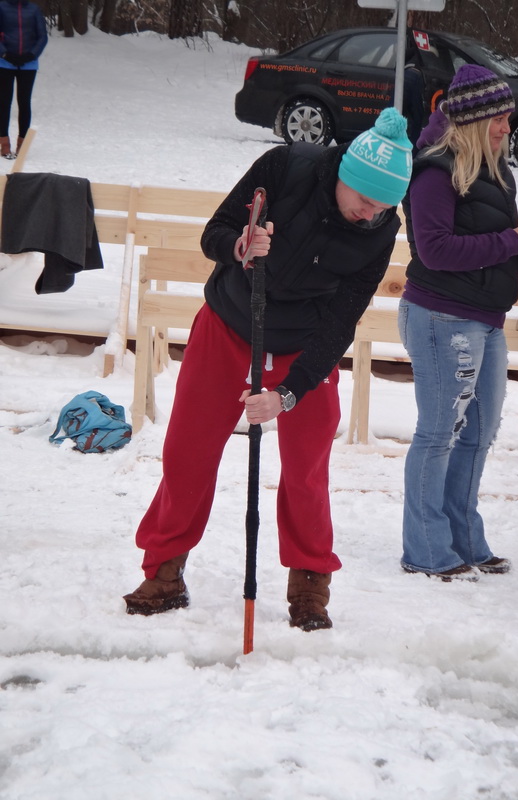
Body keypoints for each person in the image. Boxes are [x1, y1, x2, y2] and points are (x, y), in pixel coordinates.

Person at [124, 107, 413, 630]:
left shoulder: (378, 231)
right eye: (365, 200)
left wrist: (289, 394)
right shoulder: (286, 168)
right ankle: (164, 570)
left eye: (383, 207)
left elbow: (342, 320)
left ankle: (309, 583)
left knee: (306, 467)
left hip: (305, 346)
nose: (370, 214)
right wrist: (239, 247)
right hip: (231, 322)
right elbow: (216, 230)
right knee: (188, 450)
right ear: (345, 172)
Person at [398, 64, 518, 582]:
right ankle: (425, 548)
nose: (508, 128)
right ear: (472, 119)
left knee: (479, 432)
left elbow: (484, 245)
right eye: (500, 119)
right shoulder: (435, 172)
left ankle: (464, 537)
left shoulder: (496, 170)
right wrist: (513, 242)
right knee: (440, 431)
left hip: (485, 318)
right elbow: (437, 250)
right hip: (441, 314)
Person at [0, 0, 47, 159]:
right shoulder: (2, 6)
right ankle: (4, 144)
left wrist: (31, 55)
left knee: (24, 102)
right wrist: (4, 54)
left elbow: (42, 36)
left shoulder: (34, 9)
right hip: (5, 62)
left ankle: (22, 145)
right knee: (4, 102)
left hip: (28, 64)